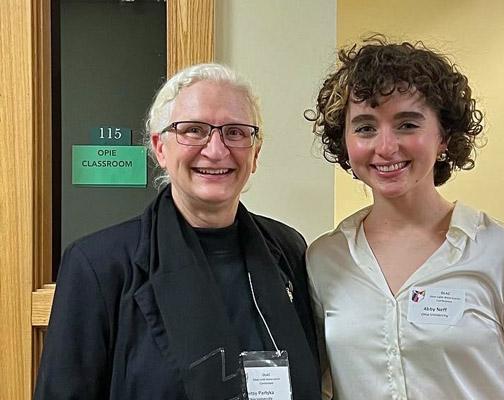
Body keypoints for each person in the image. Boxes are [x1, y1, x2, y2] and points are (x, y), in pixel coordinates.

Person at [305, 35, 504, 399]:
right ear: (346, 140)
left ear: (444, 137)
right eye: (366, 127)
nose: (386, 147)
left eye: (407, 124)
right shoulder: (325, 260)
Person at [35, 63, 321, 399]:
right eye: (194, 130)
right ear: (159, 148)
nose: (216, 150)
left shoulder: (288, 249)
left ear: (255, 153)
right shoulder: (98, 266)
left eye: (235, 132)